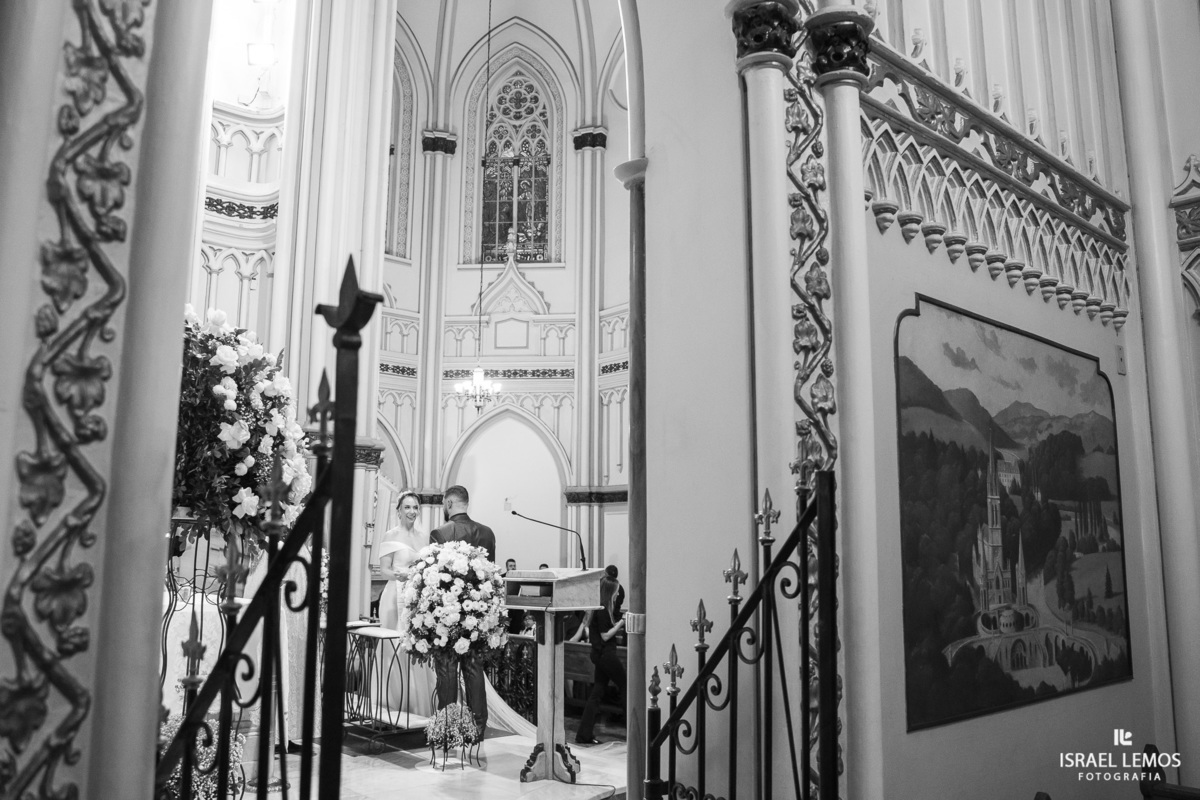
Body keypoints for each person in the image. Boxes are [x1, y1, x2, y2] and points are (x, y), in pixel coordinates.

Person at [429, 484, 496, 732]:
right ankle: (478, 727)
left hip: (448, 615)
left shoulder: (441, 532)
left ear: (448, 504)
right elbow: (491, 576)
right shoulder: (488, 533)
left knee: (447, 670)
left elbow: (434, 579)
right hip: (478, 615)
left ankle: (447, 728)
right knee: (474, 669)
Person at [376, 490, 434, 718]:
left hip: (415, 597)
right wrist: (399, 576)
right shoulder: (390, 535)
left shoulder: (423, 536)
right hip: (394, 597)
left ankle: (416, 703)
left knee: (416, 645)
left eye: (415, 507)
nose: (412, 511)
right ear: (398, 511)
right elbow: (384, 570)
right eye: (407, 507)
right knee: (394, 645)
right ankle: (391, 700)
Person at [575, 573, 626, 745]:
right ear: (609, 591)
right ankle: (634, 728)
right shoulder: (603, 609)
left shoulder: (600, 607)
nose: (618, 594)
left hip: (600, 654)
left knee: (597, 693)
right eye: (616, 591)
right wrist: (621, 623)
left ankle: (584, 734)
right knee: (626, 686)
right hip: (606, 654)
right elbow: (605, 636)